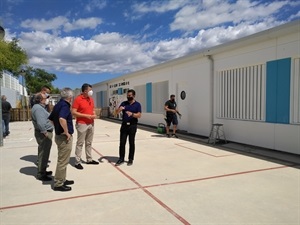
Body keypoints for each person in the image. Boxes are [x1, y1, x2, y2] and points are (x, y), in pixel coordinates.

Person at [48, 87, 74, 191]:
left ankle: (62, 178)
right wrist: (66, 132)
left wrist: (57, 128)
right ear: (70, 97)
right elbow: (62, 119)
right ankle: (58, 183)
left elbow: (51, 119)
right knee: (63, 161)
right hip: (64, 137)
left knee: (64, 159)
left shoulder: (58, 105)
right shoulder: (65, 106)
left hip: (59, 135)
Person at [72, 83, 98, 170]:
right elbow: (74, 112)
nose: (91, 91)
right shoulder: (78, 99)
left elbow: (92, 109)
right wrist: (86, 116)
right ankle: (77, 161)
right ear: (85, 91)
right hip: (82, 123)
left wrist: (93, 114)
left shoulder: (90, 99)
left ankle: (89, 159)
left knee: (89, 142)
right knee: (80, 143)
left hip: (91, 123)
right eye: (90, 90)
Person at [115, 89, 142, 166]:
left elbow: (139, 115)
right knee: (122, 143)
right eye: (127, 95)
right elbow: (116, 113)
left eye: (130, 95)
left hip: (132, 126)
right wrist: (119, 110)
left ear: (133, 96)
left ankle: (130, 159)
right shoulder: (124, 103)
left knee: (131, 142)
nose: (128, 97)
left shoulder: (137, 105)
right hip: (124, 125)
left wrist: (132, 114)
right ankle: (121, 158)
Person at [31, 93, 53, 181]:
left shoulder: (39, 108)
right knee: (43, 153)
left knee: (45, 152)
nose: (46, 99)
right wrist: (45, 132)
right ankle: (41, 174)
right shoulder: (38, 109)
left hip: (44, 132)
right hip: (43, 134)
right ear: (40, 100)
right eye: (45, 98)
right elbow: (40, 122)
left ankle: (43, 170)